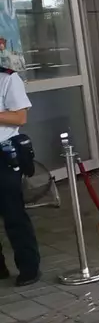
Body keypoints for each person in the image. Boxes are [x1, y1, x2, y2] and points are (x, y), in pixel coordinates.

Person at [0, 64, 38, 285]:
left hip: (3, 154)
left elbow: (20, 117)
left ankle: (29, 267)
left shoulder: (7, 78)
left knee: (13, 214)